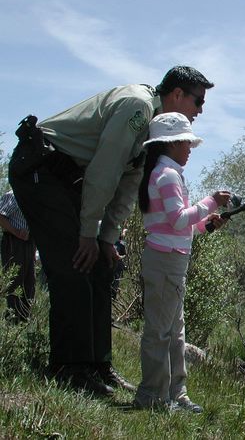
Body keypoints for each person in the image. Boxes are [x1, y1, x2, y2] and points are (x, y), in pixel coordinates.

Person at [8, 66, 214, 397]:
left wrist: (106, 238)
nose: (200, 110)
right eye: (198, 101)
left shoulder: (154, 128)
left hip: (67, 181)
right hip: (41, 170)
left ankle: (98, 365)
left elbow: (128, 184)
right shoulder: (136, 107)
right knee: (75, 264)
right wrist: (88, 234)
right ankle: (69, 369)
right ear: (177, 95)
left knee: (103, 265)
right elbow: (104, 171)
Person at [133, 112, 229, 412]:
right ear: (171, 143)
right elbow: (176, 221)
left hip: (171, 261)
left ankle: (176, 394)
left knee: (175, 332)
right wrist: (210, 202)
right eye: (187, 142)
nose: (190, 148)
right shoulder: (168, 175)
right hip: (165, 262)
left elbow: (180, 224)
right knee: (161, 332)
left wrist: (206, 223)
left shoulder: (165, 173)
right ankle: (153, 397)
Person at [0, 190, 36, 322]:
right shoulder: (13, 195)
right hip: (14, 243)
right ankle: (12, 322)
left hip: (29, 243)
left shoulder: (32, 197)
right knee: (14, 282)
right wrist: (16, 232)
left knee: (29, 283)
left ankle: (24, 322)